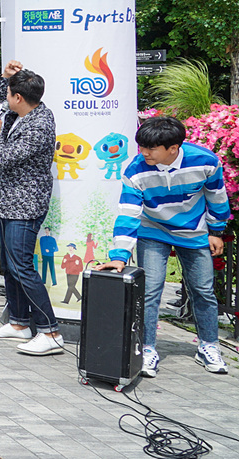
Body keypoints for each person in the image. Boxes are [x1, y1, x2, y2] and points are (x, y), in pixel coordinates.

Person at [96, 115, 231, 376]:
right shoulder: (135, 170)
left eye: (150, 148)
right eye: (142, 147)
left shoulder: (206, 161)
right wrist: (120, 255)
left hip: (193, 232)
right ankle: (147, 349)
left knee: (203, 291)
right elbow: (128, 214)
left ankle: (208, 346)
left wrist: (216, 231)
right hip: (153, 231)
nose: (144, 153)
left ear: (173, 148)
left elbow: (217, 197)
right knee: (150, 292)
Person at [0, 63, 63, 356]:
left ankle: (50, 331)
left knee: (22, 267)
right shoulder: (29, 110)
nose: (5, 100)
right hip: (9, 201)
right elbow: (8, 100)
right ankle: (18, 322)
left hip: (25, 205)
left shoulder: (38, 124)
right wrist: (6, 78)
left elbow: (5, 156)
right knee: (10, 265)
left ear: (18, 97)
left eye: (9, 93)